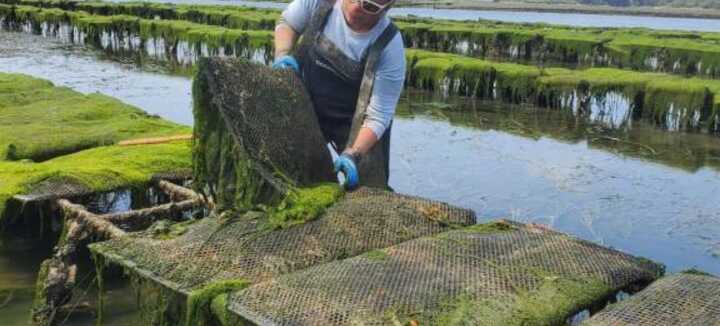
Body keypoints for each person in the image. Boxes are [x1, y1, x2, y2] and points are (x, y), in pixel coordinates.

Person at [272, 0, 405, 190]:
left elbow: (379, 116)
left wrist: (354, 153)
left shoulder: (389, 44)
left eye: (369, 6)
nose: (356, 7)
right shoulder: (320, 3)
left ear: (386, 8)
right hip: (306, 106)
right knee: (289, 167)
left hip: (356, 123)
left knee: (369, 187)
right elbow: (288, 23)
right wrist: (283, 54)